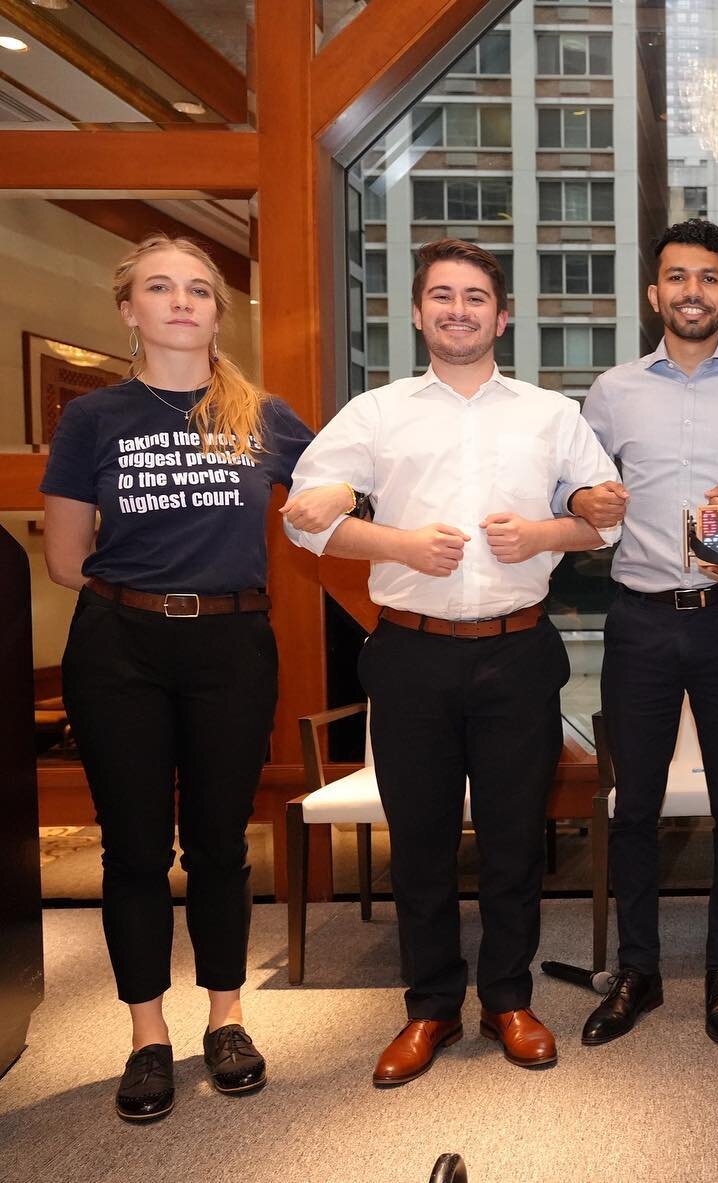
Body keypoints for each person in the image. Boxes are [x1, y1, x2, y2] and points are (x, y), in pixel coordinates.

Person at [284, 238, 621, 1083]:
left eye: (476, 297)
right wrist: (395, 540)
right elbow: (305, 516)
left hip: (517, 653)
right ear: (417, 311)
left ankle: (508, 996)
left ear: (501, 316)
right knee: (422, 845)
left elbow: (603, 516)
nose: (459, 310)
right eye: (443, 295)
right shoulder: (377, 413)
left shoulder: (550, 413)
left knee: (513, 842)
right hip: (410, 654)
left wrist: (544, 530)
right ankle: (429, 1007)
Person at [40, 234, 354, 1122]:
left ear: (218, 314)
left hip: (231, 645)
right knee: (134, 849)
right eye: (160, 288)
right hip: (120, 646)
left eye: (200, 291)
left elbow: (342, 488)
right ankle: (146, 1034)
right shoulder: (93, 419)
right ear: (129, 310)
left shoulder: (266, 417)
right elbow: (66, 560)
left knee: (219, 844)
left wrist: (340, 497)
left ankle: (226, 1018)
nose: (182, 302)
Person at [563, 219, 718, 1047]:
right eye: (677, 277)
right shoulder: (612, 391)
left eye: (707, 278)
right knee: (634, 807)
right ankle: (638, 970)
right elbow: (583, 499)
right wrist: (576, 506)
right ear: (654, 292)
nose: (692, 291)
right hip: (637, 620)